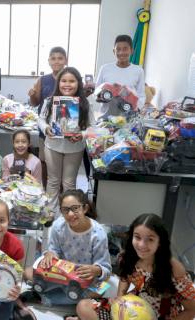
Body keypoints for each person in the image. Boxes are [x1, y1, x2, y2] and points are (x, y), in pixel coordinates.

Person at [74, 213, 195, 320]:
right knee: (83, 306)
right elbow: (124, 278)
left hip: (160, 315)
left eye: (150, 239)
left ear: (160, 242)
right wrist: (119, 299)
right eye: (137, 237)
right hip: (130, 307)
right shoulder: (129, 256)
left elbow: (192, 309)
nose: (142, 245)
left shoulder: (173, 268)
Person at [22, 189, 111, 308]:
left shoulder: (98, 233)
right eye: (65, 210)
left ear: (84, 208)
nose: (70, 214)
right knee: (28, 272)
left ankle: (45, 298)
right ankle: (67, 298)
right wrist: (50, 254)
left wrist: (96, 270)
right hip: (61, 274)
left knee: (101, 288)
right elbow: (53, 249)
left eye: (75, 208)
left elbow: (105, 268)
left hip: (83, 279)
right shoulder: (58, 225)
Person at [38, 67, 95, 213]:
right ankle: (50, 213)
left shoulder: (85, 103)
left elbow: (92, 127)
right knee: (53, 181)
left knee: (69, 183)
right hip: (52, 146)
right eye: (63, 81)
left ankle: (68, 213)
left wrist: (81, 135)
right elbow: (41, 119)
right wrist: (46, 129)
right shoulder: (50, 101)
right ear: (58, 83)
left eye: (72, 81)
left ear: (78, 83)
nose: (67, 84)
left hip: (74, 148)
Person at [28, 46, 67, 185]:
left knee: (62, 163)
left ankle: (62, 193)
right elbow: (34, 103)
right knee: (44, 161)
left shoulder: (70, 77)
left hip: (65, 129)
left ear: (66, 60)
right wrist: (32, 95)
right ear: (49, 61)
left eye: (60, 58)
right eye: (53, 58)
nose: (56, 61)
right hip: (45, 129)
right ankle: (44, 188)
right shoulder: (42, 80)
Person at [95, 34, 146, 119]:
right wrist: (104, 96)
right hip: (106, 117)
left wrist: (135, 108)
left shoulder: (138, 71)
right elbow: (97, 91)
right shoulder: (105, 68)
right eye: (118, 49)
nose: (121, 52)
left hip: (128, 118)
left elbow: (141, 95)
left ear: (132, 51)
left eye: (125, 49)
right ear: (113, 51)